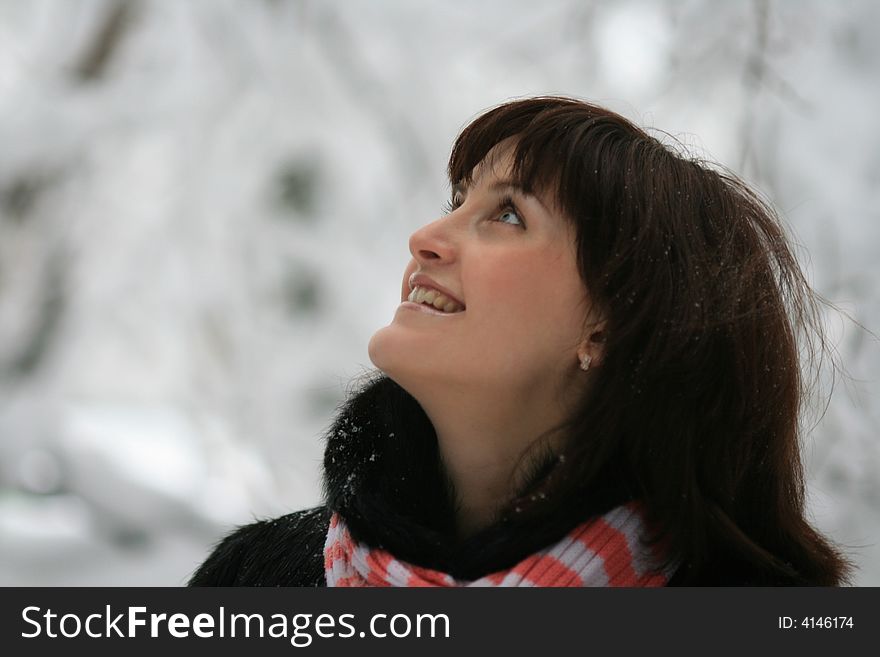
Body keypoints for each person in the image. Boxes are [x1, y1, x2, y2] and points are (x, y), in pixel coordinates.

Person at [189, 96, 853, 586]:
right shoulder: (256, 582)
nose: (426, 236)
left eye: (506, 214)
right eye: (456, 199)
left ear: (609, 324)